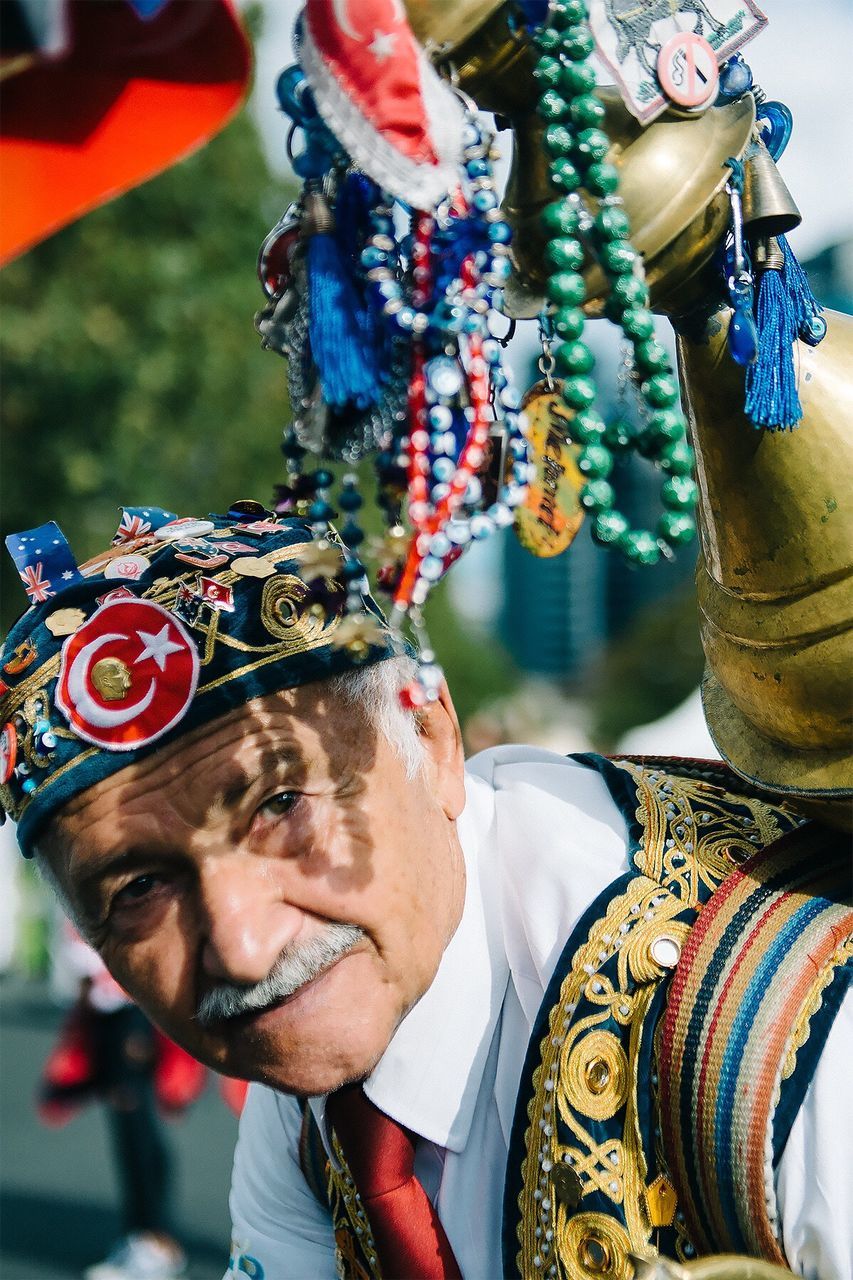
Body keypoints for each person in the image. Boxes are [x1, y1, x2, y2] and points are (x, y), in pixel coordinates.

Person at [1, 505, 850, 1280]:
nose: (243, 946)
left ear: (432, 738)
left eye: (282, 806)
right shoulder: (314, 1072)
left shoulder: (788, 1040)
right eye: (141, 886)